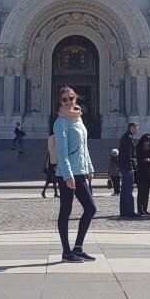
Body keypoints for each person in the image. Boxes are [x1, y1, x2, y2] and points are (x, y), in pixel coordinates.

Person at [53, 85, 96, 262]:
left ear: (76, 99)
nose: (69, 102)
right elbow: (62, 153)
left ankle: (77, 248)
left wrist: (90, 168)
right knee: (66, 211)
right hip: (67, 174)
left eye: (71, 98)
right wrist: (68, 175)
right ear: (59, 101)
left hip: (80, 171)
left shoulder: (78, 119)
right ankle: (66, 252)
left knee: (91, 209)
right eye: (65, 99)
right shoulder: (60, 122)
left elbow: (84, 146)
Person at [118, 121, 138, 218]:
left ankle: (123, 210)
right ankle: (129, 210)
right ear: (132, 127)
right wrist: (131, 167)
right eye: (136, 129)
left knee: (124, 190)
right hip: (127, 168)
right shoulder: (128, 138)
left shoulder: (125, 137)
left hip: (123, 167)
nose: (136, 131)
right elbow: (128, 155)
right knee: (129, 189)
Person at [136, 132, 150, 215]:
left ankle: (145, 208)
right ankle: (140, 209)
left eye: (148, 142)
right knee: (141, 191)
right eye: (146, 142)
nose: (147, 143)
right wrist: (144, 160)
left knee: (147, 192)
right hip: (140, 172)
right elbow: (137, 159)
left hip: (148, 172)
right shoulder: (138, 148)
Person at [41, 133, 59, 198]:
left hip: (54, 164)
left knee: (54, 180)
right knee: (49, 180)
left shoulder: (54, 148)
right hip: (51, 165)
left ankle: (55, 193)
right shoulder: (51, 150)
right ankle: (43, 192)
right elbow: (47, 158)